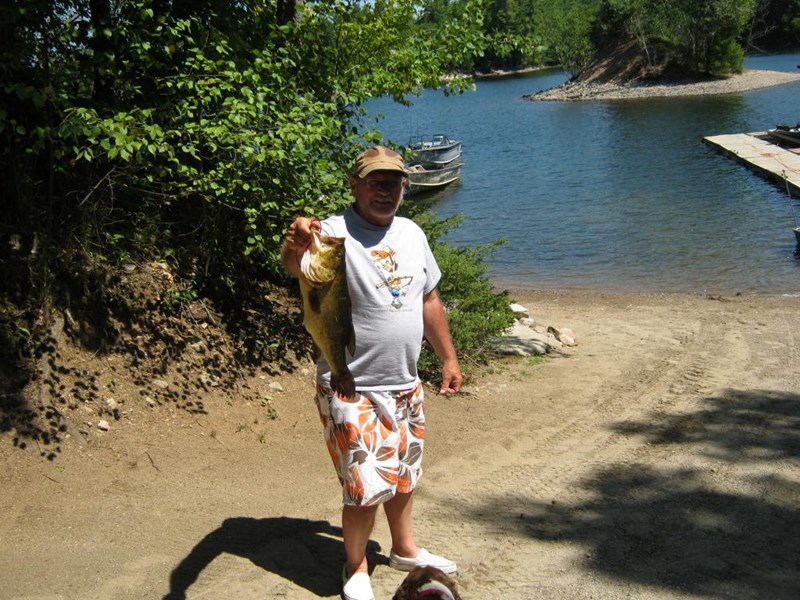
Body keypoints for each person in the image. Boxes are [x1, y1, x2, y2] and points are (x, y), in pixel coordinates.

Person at [281, 146, 462, 600]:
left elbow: (429, 301)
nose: (385, 191)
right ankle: (355, 567)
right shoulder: (333, 231)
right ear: (354, 186)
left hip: (406, 381)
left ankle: (404, 549)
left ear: (405, 187)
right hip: (350, 383)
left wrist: (448, 357)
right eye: (375, 182)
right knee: (363, 488)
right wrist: (298, 238)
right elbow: (295, 264)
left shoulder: (413, 233)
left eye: (394, 183)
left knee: (403, 475)